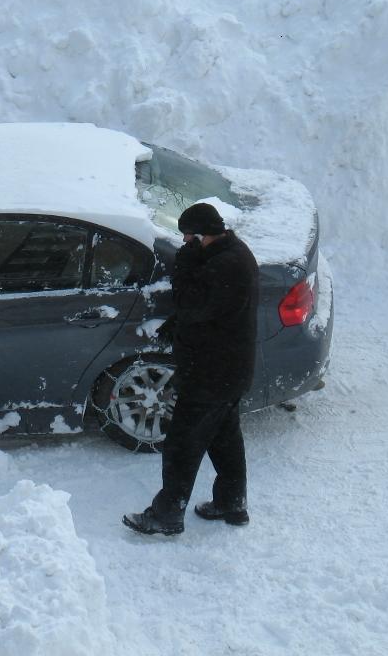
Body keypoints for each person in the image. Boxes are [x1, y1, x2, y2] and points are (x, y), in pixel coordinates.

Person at [123, 203, 259, 536]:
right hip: (229, 371)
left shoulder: (226, 266)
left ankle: (167, 514)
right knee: (225, 440)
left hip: (211, 375)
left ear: (203, 234)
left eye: (188, 236)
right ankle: (232, 503)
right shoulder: (232, 254)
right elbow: (206, 305)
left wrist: (183, 265)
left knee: (182, 446)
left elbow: (189, 303)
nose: (184, 241)